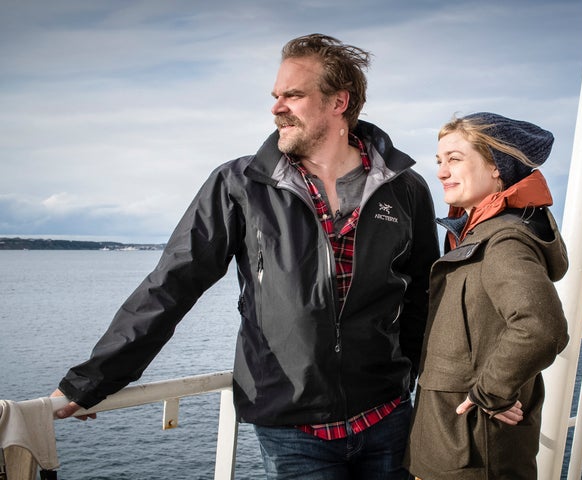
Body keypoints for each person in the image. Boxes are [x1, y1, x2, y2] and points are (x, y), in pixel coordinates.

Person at [51, 33, 440, 480]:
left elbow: (424, 301)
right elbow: (172, 284)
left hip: (387, 415)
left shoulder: (403, 188)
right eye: (276, 96)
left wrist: (429, 388)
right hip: (292, 427)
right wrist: (90, 381)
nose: (276, 107)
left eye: (293, 95)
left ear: (338, 102)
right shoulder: (241, 185)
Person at [404, 112, 569, 480]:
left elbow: (542, 327)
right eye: (440, 161)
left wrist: (490, 393)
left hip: (471, 450)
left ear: (497, 167)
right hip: (456, 444)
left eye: (455, 159)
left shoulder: (502, 240)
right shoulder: (479, 234)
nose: (442, 172)